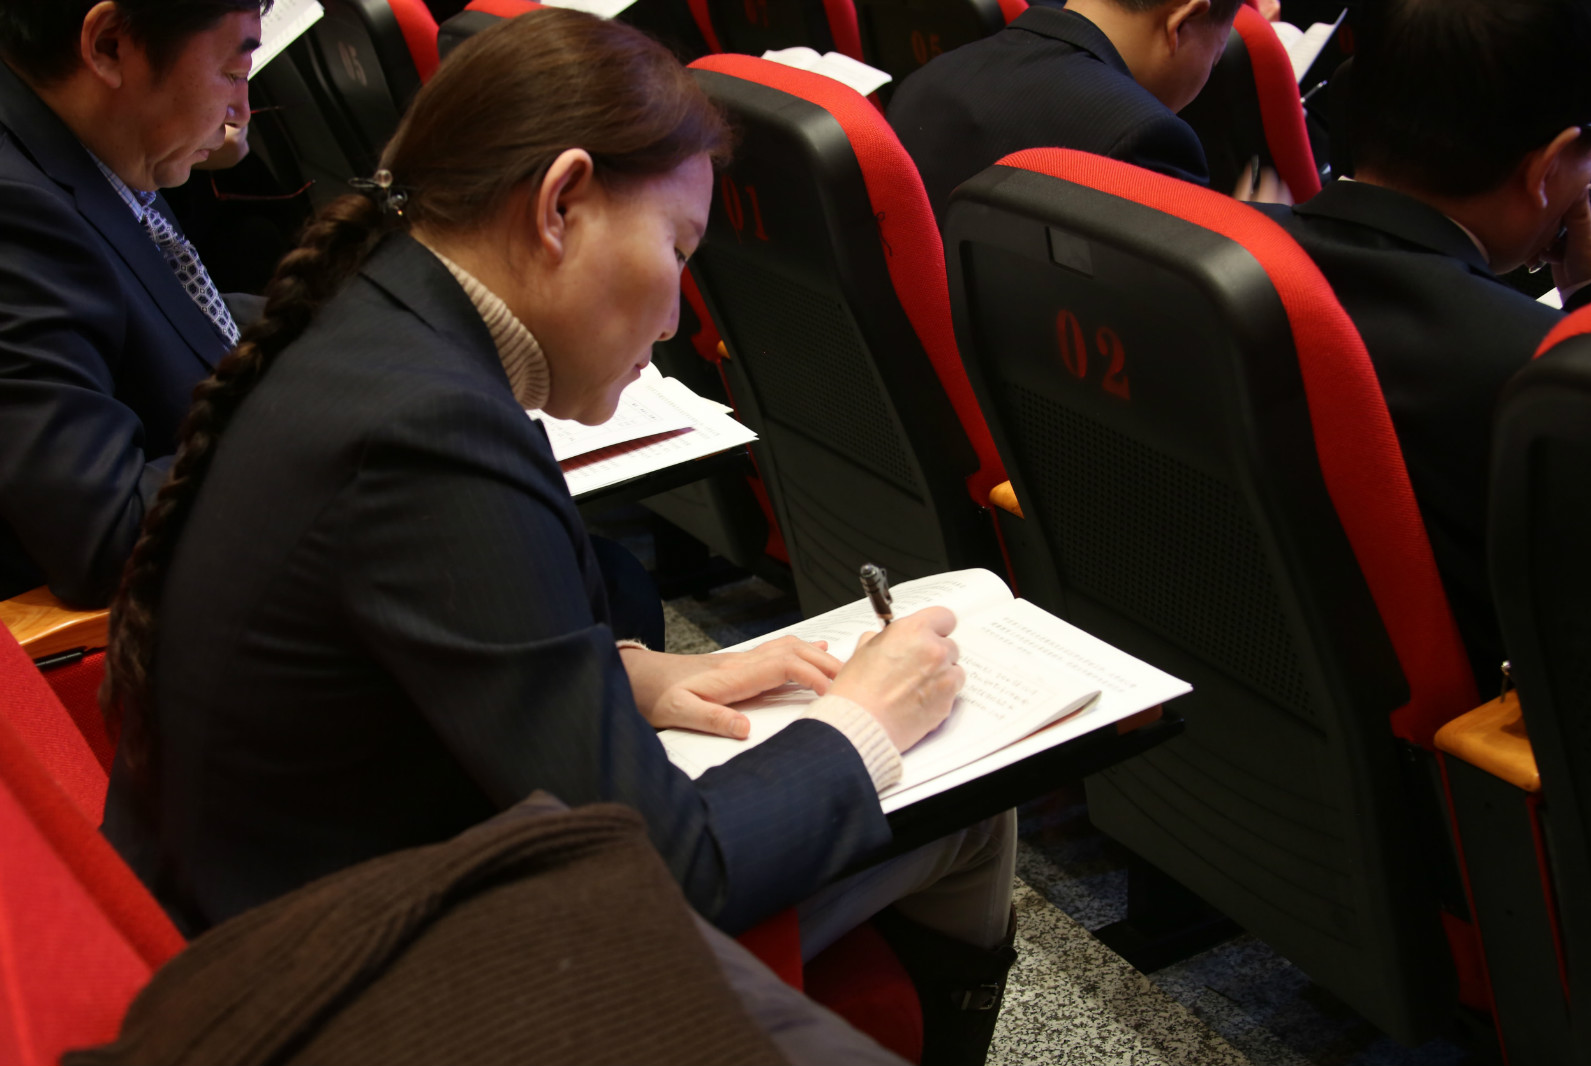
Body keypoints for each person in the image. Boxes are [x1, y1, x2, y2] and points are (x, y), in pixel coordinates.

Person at [98, 9, 1016, 1062]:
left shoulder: (385, 330)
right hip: (339, 989)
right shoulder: (430, 434)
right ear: (562, 202)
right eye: (677, 249)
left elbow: (378, 653)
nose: (677, 318)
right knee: (963, 808)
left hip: (282, 908)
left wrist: (628, 674)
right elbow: (672, 867)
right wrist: (862, 721)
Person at [1259, 0, 1591, 698]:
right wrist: (1590, 312)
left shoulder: (1213, 256)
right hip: (1473, 745)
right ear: (1548, 168)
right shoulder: (1540, 381)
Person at [0, 0, 267, 606]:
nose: (241, 112)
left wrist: (332, 322)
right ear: (110, 46)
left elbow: (164, 313)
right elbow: (106, 536)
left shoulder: (82, 139)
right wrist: (320, 420)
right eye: (233, 73)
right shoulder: (15, 211)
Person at [888, 0, 1276, 219]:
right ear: (1183, 19)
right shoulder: (1149, 138)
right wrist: (1239, 239)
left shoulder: (925, 81)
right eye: (1215, 56)